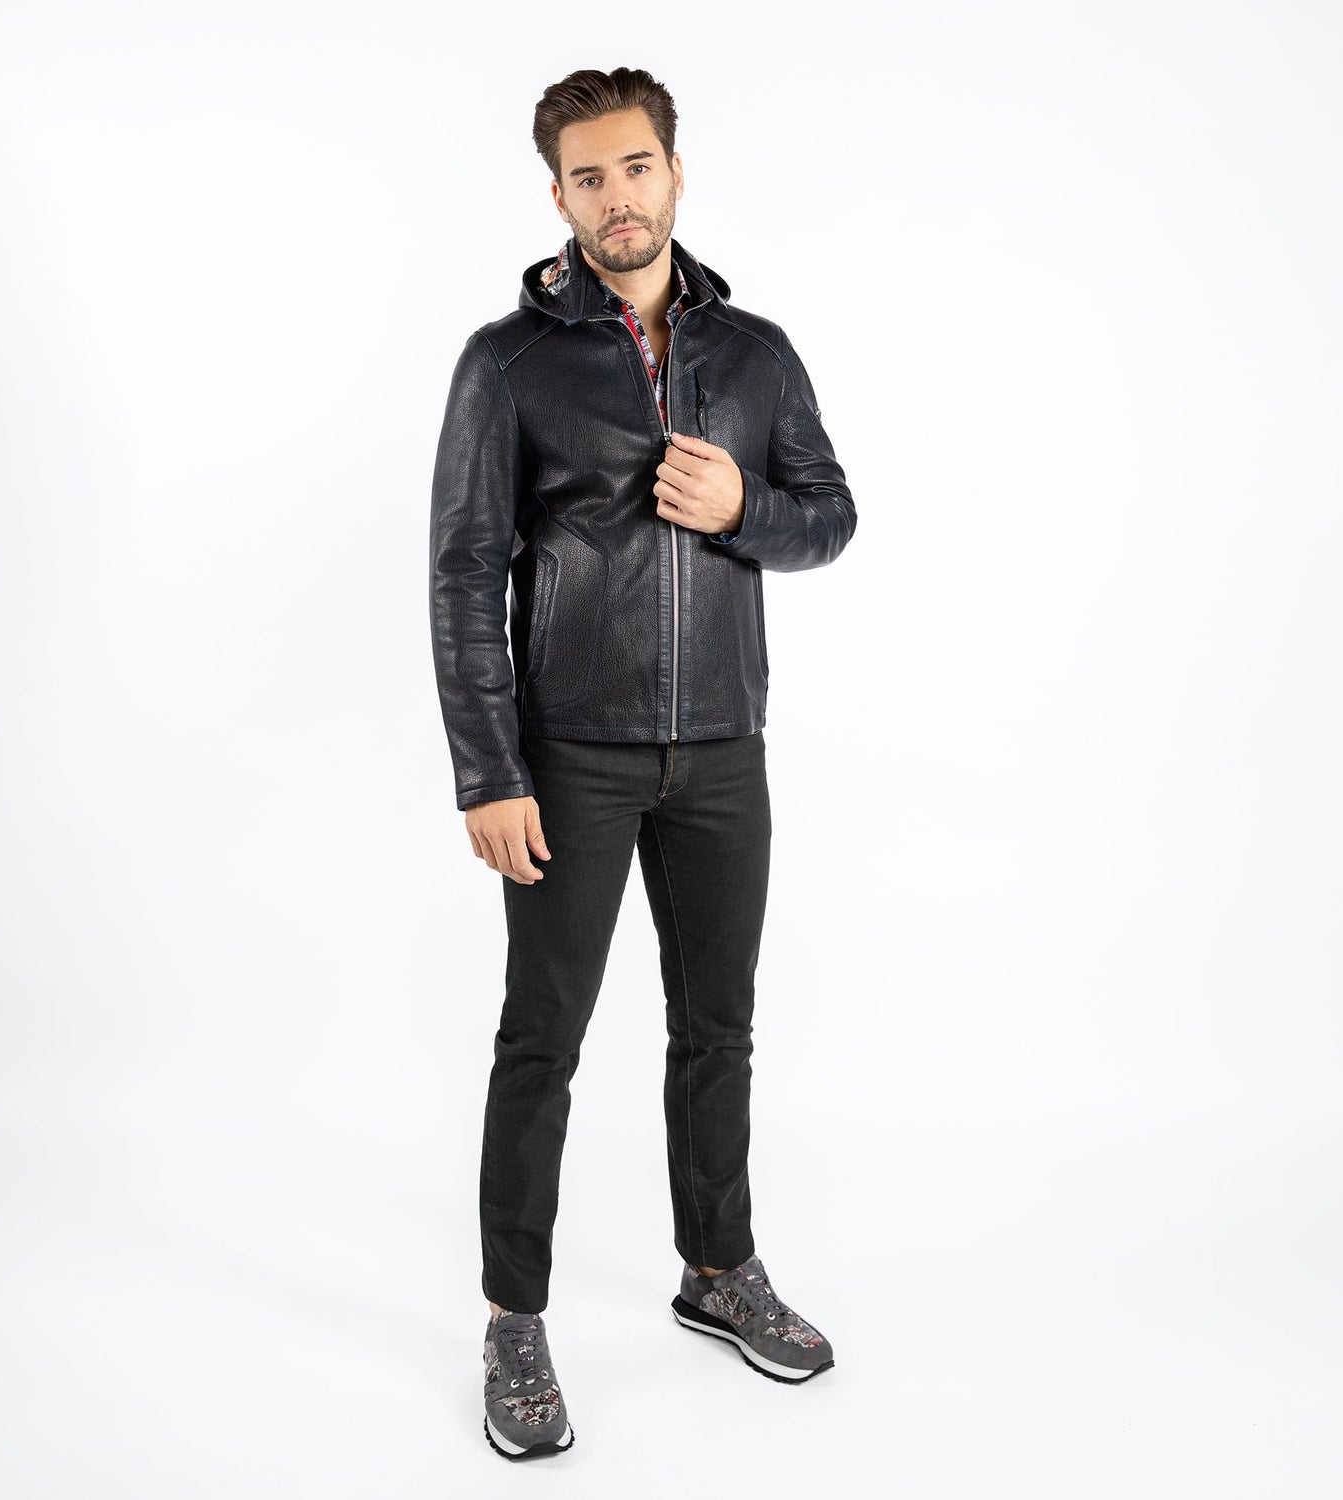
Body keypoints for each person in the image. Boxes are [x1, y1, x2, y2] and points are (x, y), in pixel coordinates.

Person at [428, 65, 858, 1460]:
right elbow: (463, 573)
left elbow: (831, 514)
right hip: (570, 757)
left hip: (726, 745)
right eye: (588, 176)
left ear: (676, 172)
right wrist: (490, 771)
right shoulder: (508, 364)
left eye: (636, 167)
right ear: (558, 194)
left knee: (718, 1028)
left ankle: (717, 1270)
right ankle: (514, 1319)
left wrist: (744, 510)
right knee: (541, 1039)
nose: (617, 196)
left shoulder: (761, 354)